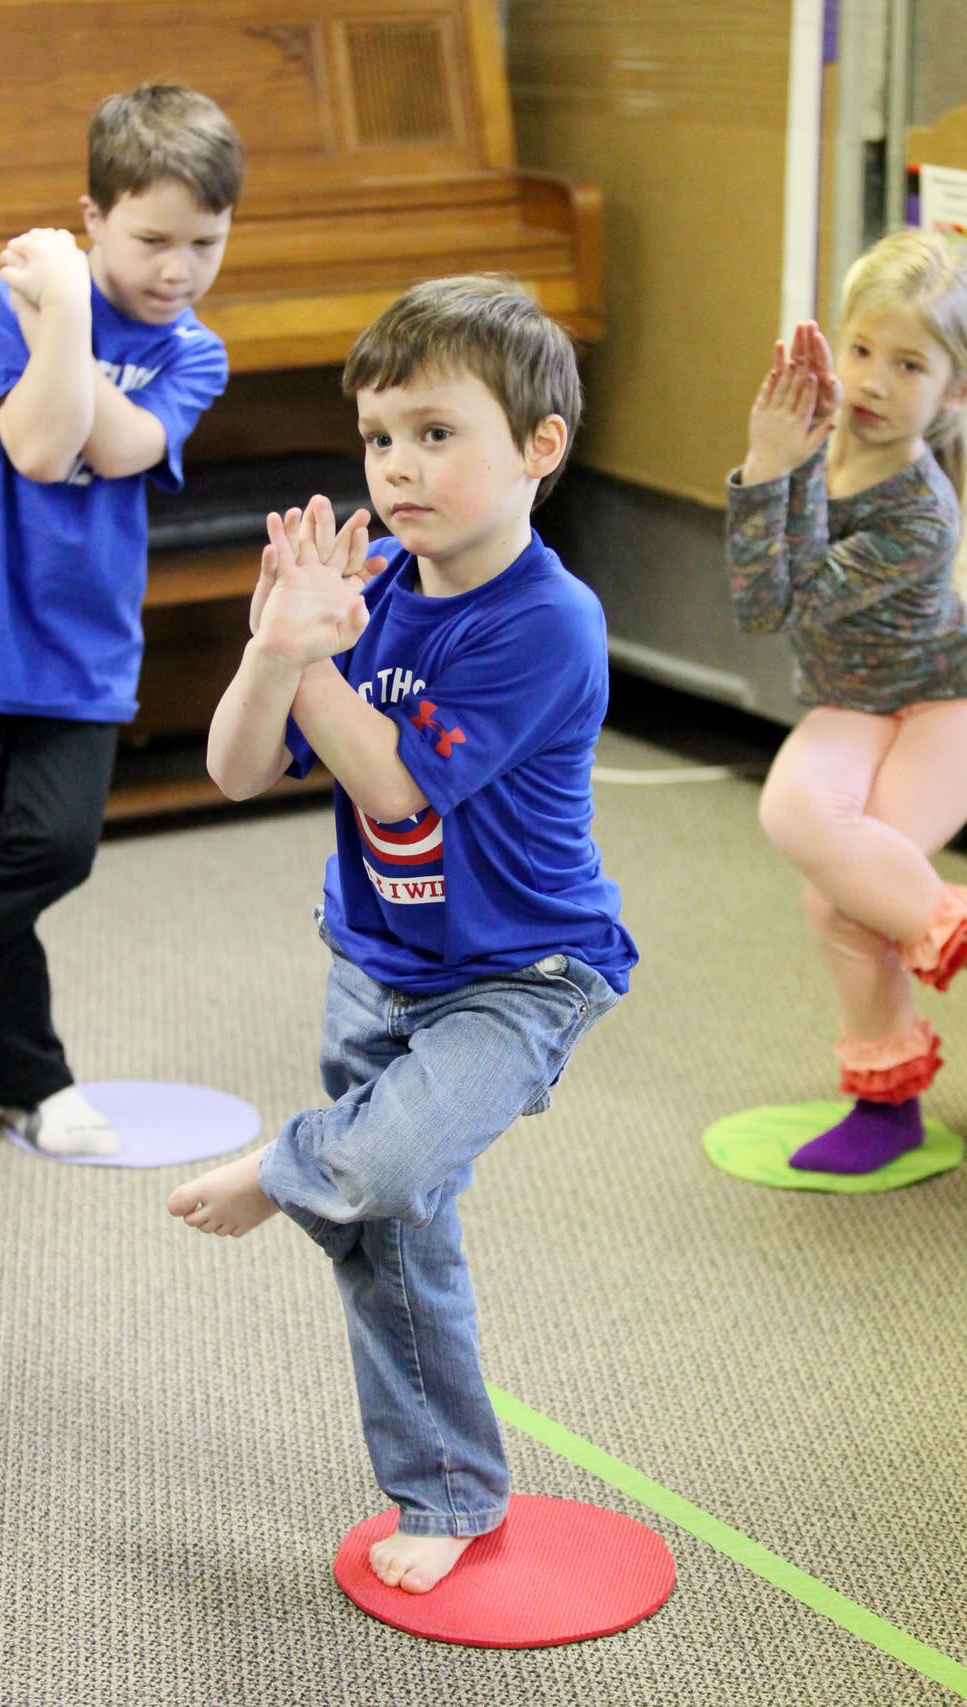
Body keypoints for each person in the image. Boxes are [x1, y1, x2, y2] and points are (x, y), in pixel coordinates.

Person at [166, 275, 637, 1592]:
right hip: (376, 968)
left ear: (538, 447)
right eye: (380, 436)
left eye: (438, 432)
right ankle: (444, 1486)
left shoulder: (546, 619)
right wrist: (272, 651)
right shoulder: (363, 581)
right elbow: (235, 768)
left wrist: (316, 657)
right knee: (389, 1236)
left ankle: (283, 1164)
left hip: (523, 974)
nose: (399, 464)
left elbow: (394, 785)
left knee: (368, 1167)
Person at [0, 84, 243, 1157]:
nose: (177, 270)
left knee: (50, 848)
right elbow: (32, 443)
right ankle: (31, 1078)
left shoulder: (193, 352)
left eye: (205, 243)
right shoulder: (1, 304)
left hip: (80, 651)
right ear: (93, 216)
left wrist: (63, 315)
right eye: (152, 238)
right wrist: (65, 317)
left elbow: (102, 448)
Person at [726, 227, 967, 1176]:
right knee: (812, 836)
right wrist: (771, 463)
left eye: (908, 364)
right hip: (859, 697)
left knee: (845, 902)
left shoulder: (920, 512)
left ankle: (894, 1096)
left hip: (956, 701)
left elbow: (784, 598)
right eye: (860, 349)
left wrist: (775, 473)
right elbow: (754, 608)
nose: (870, 378)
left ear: (958, 391)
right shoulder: (814, 449)